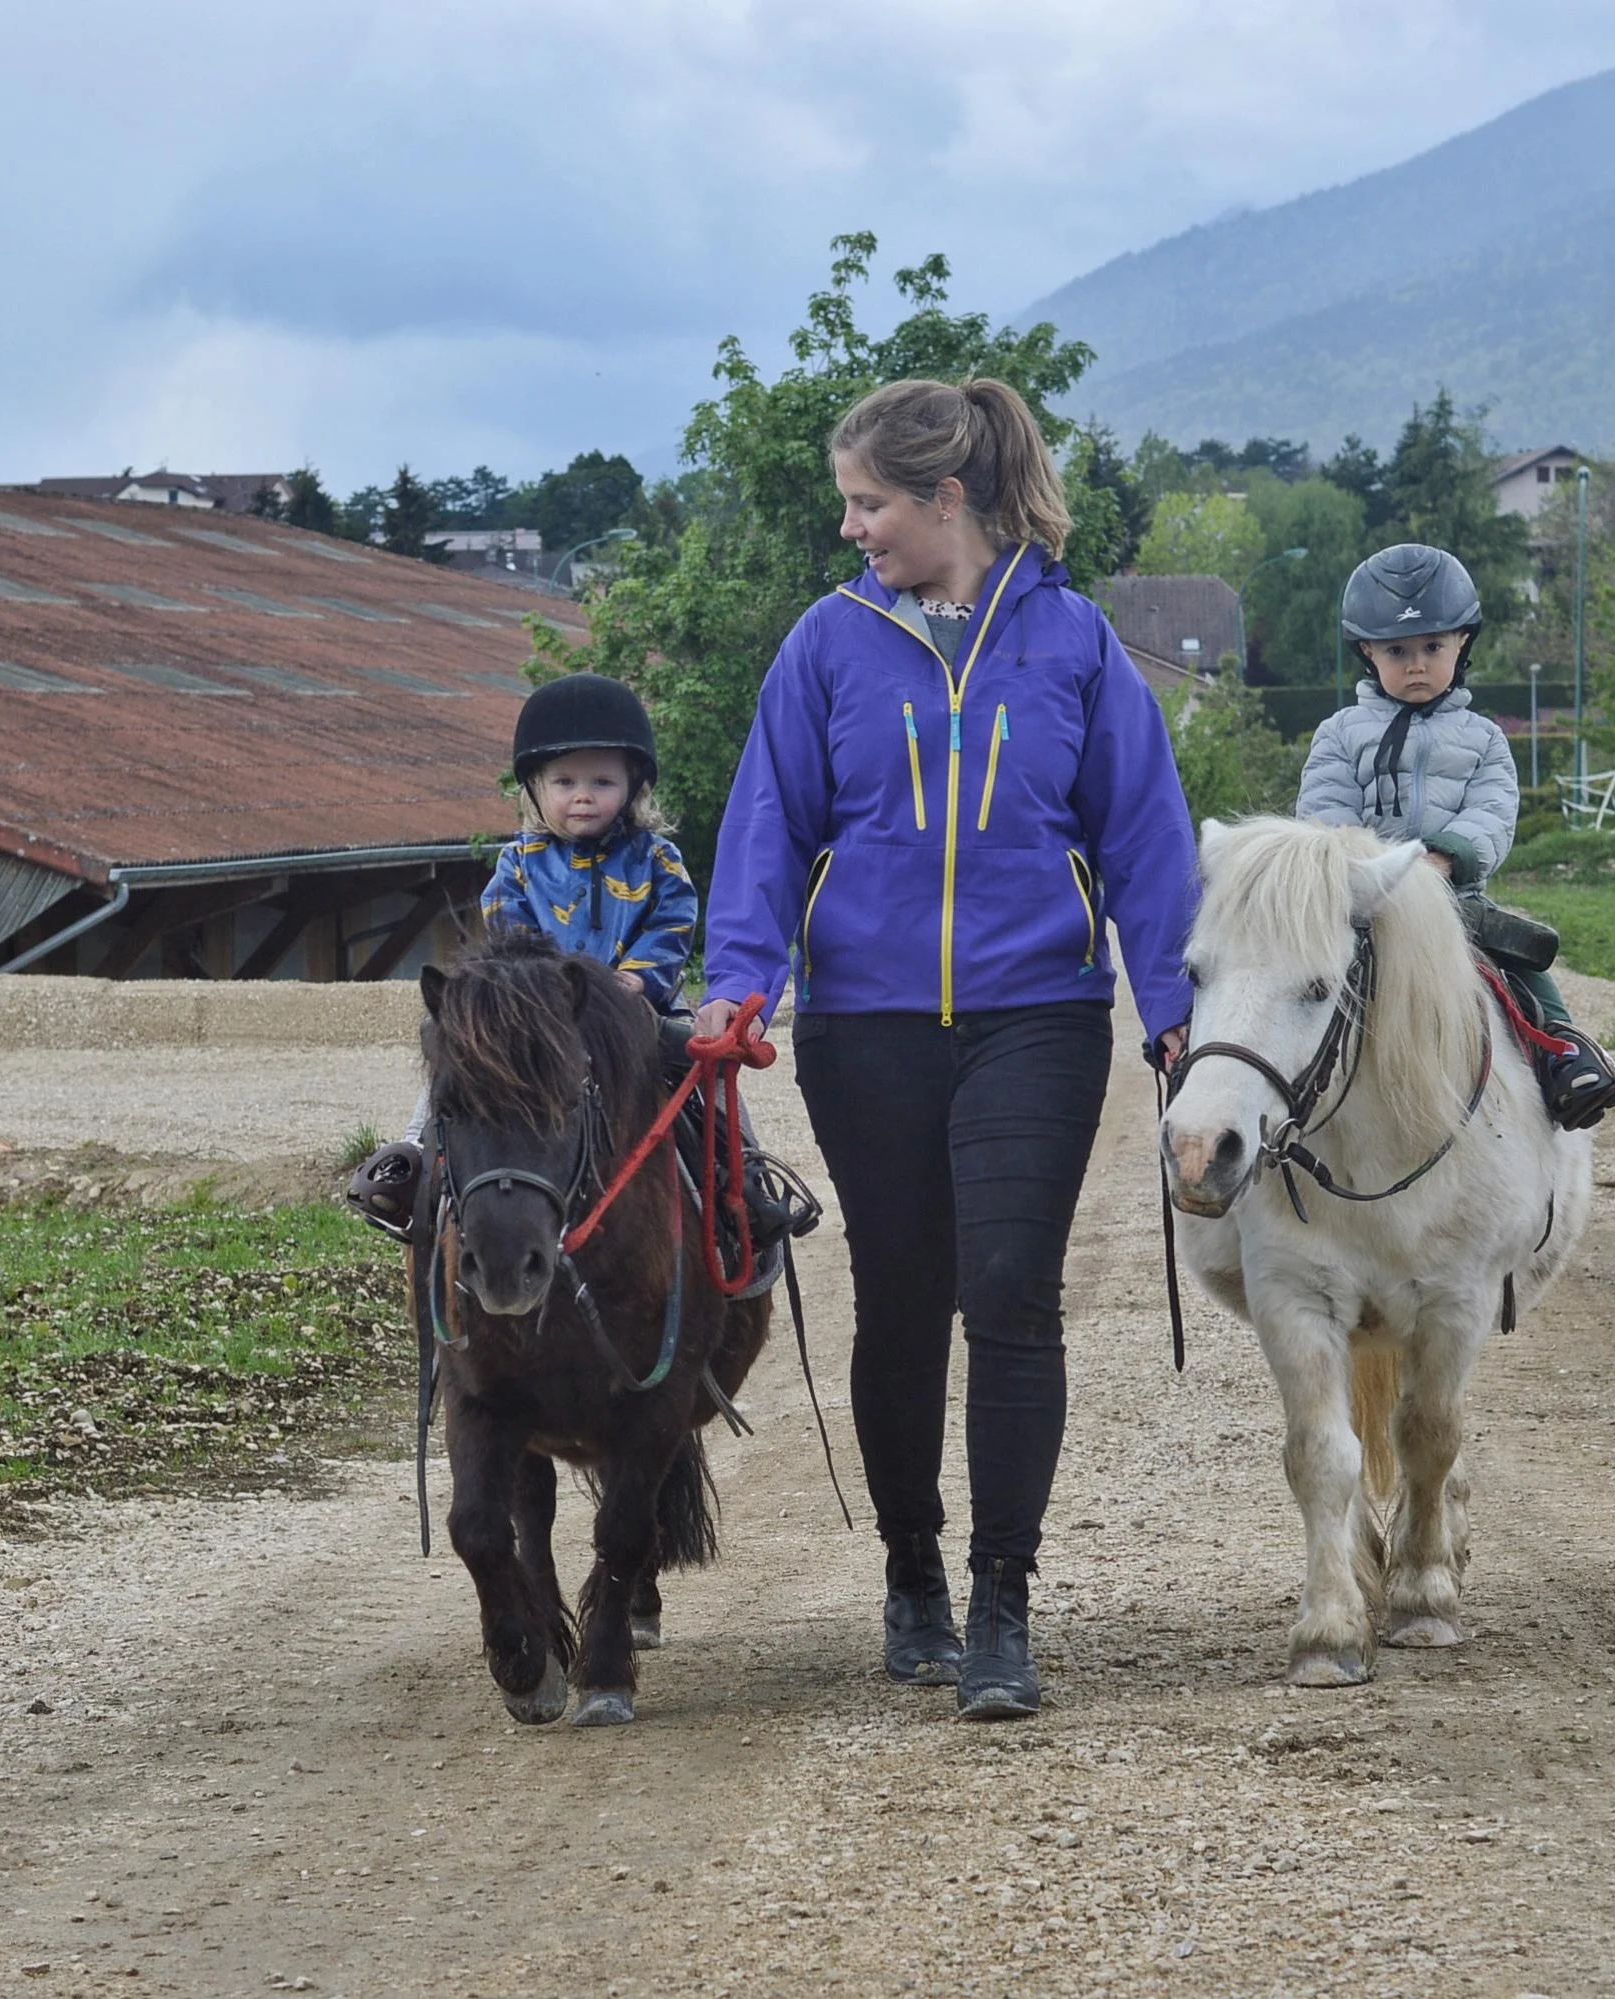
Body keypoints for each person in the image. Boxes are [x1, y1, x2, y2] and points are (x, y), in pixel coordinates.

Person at [696, 376, 1198, 1721]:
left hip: (1034, 1012)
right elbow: (764, 827)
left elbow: (1145, 837)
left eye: (870, 503)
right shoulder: (825, 643)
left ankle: (999, 1603)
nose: (853, 527)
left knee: (1010, 1291)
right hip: (862, 1024)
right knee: (904, 1298)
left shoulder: (1074, 643)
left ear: (947, 496)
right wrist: (737, 982)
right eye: (849, 503)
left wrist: (1171, 1006)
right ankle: (910, 1572)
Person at [1295, 542, 1615, 1130]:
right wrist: (1366, 870)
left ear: (1462, 644)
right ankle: (1279, 1083)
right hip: (1364, 904)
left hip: (1454, 898)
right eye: (1398, 650)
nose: (1417, 664)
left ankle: (1565, 1056)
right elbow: (1324, 816)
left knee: (1524, 958)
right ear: (1368, 651)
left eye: (1432, 647)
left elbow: (1493, 812)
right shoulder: (1339, 735)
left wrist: (1448, 856)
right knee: (1291, 978)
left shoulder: (1484, 739)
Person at [346, 672, 696, 1231]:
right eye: (565, 782)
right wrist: (537, 991)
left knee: (707, 1070)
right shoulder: (519, 863)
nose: (583, 795)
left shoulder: (657, 859)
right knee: (456, 1061)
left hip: (640, 1009)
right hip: (539, 1014)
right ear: (534, 788)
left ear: (633, 786)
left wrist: (638, 980)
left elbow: (674, 922)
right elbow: (508, 932)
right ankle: (414, 1161)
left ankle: (741, 1177)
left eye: (602, 781)